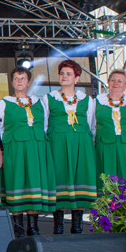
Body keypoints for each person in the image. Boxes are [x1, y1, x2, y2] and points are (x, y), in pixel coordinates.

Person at [0, 66, 55, 237]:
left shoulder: (39, 102)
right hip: (14, 149)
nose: (19, 81)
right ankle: (18, 228)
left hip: (35, 149)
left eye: (22, 78)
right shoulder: (4, 103)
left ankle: (33, 227)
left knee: (33, 184)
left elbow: (44, 126)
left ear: (28, 82)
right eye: (16, 78)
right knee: (16, 183)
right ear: (12, 82)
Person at [45, 60, 96, 234]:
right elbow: (44, 125)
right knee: (59, 179)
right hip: (57, 144)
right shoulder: (49, 98)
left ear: (77, 77)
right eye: (62, 73)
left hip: (81, 144)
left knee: (79, 178)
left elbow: (91, 124)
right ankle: (58, 225)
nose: (64, 76)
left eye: (68, 74)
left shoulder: (86, 99)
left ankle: (77, 224)